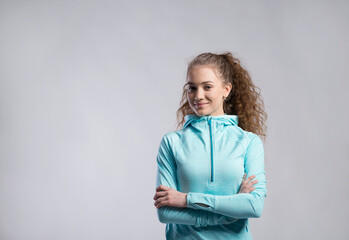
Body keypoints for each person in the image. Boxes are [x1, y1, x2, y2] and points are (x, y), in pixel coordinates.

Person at [153, 51, 268, 239]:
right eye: (192, 88)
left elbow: (254, 207)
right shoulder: (171, 142)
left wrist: (186, 200)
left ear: (226, 89)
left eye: (207, 87)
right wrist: (231, 214)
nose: (198, 96)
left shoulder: (249, 142)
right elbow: (165, 213)